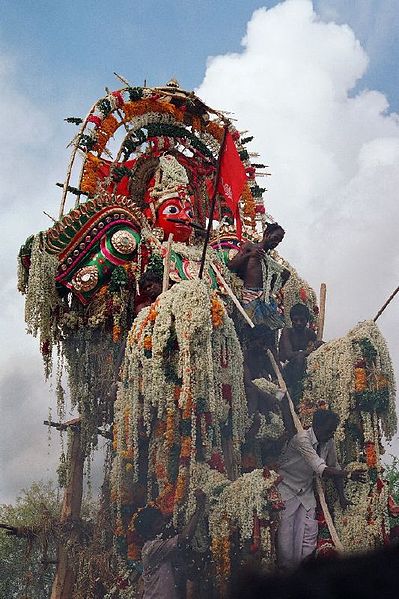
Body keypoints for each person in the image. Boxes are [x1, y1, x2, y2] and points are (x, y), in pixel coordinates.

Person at [276, 409, 366, 570]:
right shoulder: (301, 439)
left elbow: (334, 468)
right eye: (330, 430)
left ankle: (303, 572)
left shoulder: (329, 442)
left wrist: (342, 497)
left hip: (306, 493)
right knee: (285, 537)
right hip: (287, 489)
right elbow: (321, 469)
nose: (332, 434)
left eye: (334, 430)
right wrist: (349, 474)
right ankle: (286, 575)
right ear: (318, 426)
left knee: (310, 533)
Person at [135, 489, 206, 599]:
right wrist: (199, 508)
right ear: (148, 532)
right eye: (158, 524)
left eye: (162, 521)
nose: (163, 525)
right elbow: (184, 538)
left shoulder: (164, 549)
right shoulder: (152, 548)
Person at [227, 223, 289, 330]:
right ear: (267, 234)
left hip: (264, 300)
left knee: (266, 331)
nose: (276, 243)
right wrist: (250, 255)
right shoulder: (249, 247)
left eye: (279, 241)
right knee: (248, 330)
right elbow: (231, 265)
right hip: (249, 296)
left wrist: (283, 278)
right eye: (275, 238)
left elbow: (272, 288)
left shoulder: (270, 261)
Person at [279, 303, 323, 403]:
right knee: (299, 358)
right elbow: (289, 355)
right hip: (285, 370)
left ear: (307, 321)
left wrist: (319, 345)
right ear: (291, 320)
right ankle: (295, 390)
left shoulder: (310, 333)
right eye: (295, 320)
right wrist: (308, 351)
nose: (298, 323)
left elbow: (317, 348)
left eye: (302, 320)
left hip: (301, 368)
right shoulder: (287, 332)